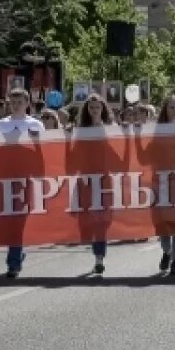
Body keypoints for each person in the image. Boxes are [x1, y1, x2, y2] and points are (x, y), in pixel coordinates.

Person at [0, 88, 45, 278]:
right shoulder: (0, 125)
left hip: (24, 177)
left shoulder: (36, 125)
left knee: (18, 218)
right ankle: (17, 251)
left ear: (27, 103)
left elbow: (44, 151)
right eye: (12, 102)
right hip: (4, 176)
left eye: (19, 102)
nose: (15, 105)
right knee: (6, 220)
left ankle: (13, 261)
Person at [76, 94, 115, 274]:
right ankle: (97, 253)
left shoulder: (111, 129)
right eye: (91, 108)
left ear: (102, 109)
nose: (94, 111)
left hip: (106, 179)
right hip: (86, 180)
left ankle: (99, 257)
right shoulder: (80, 130)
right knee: (92, 220)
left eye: (97, 108)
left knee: (103, 221)